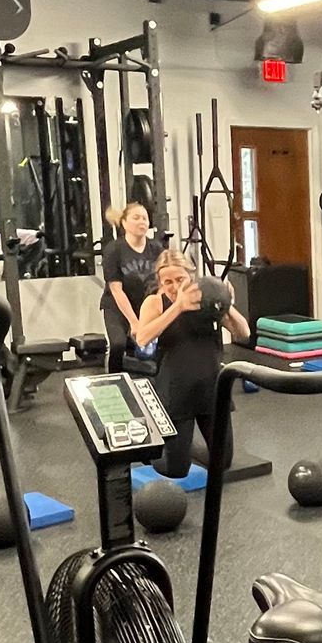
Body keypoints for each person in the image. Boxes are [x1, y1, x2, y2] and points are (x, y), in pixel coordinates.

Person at [134, 246, 251, 480]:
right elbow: (142, 337)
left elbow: (244, 333)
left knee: (223, 463)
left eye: (180, 279)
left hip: (211, 388)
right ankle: (149, 449)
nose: (174, 286)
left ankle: (185, 448)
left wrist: (227, 303)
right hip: (176, 391)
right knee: (176, 470)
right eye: (167, 281)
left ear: (191, 277)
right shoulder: (154, 303)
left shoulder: (206, 302)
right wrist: (178, 306)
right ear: (159, 281)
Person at [101, 198, 163, 371]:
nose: (141, 221)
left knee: (164, 344)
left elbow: (163, 283)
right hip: (117, 307)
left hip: (146, 305)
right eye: (136, 217)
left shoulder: (156, 248)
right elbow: (116, 289)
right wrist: (135, 323)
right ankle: (113, 381)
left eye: (144, 218)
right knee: (118, 345)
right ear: (124, 223)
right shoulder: (114, 250)